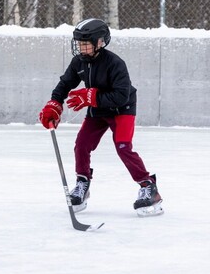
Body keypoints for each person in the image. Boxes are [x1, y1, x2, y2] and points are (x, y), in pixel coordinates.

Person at [39, 18, 163, 217]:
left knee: (123, 147)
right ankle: (82, 183)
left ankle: (148, 186)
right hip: (98, 110)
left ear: (100, 42)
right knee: (82, 144)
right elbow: (65, 84)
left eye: (86, 44)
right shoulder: (79, 61)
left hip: (122, 109)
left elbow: (122, 96)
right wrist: (55, 103)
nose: (81, 48)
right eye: (79, 44)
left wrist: (91, 96)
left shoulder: (115, 64)